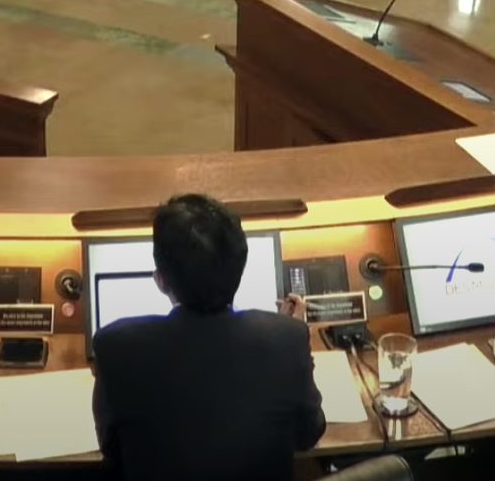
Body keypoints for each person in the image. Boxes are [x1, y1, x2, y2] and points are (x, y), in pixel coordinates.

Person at [91, 194, 323, 481]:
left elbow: (112, 448)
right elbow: (308, 434)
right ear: (239, 271)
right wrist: (285, 335)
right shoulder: (288, 337)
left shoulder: (114, 346)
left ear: (160, 280)